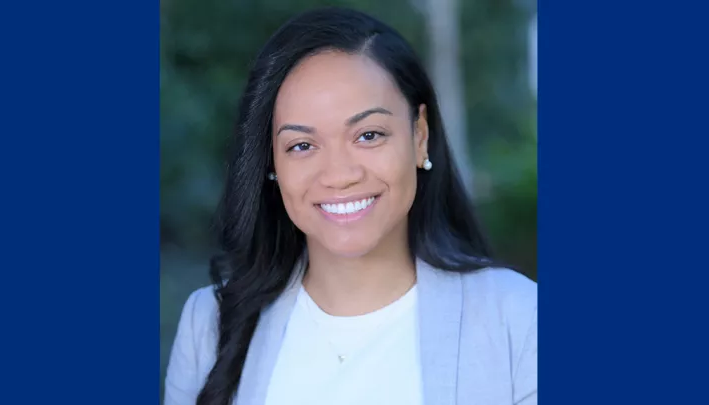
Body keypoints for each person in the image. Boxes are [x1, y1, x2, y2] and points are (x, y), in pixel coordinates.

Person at [164, 6, 537, 405]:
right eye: (302, 146)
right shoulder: (209, 324)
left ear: (420, 135)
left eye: (369, 135)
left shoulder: (519, 319)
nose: (339, 174)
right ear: (271, 162)